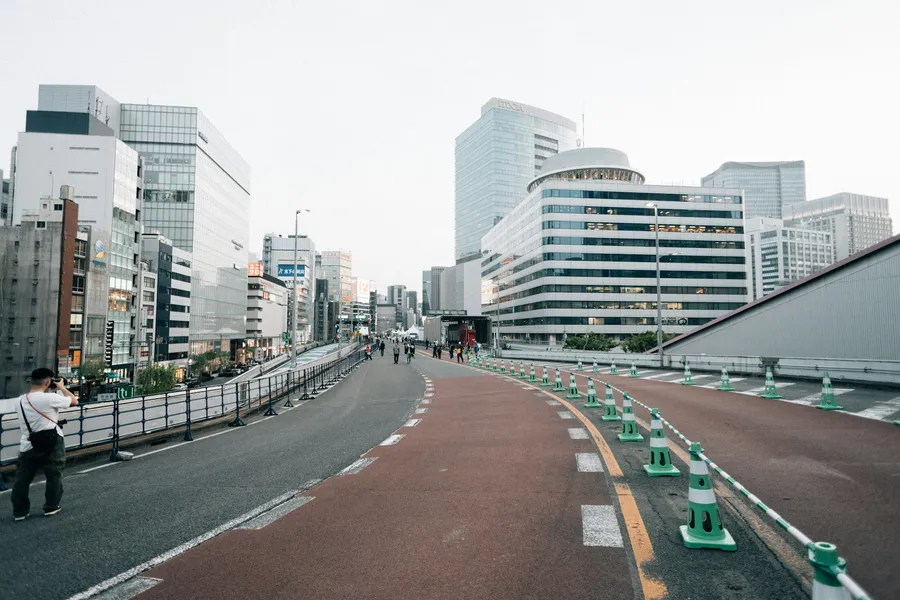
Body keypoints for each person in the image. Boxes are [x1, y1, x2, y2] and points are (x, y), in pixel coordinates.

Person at [12, 368, 79, 520]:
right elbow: (74, 401)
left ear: (31, 381)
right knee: (54, 474)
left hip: (28, 444)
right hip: (51, 443)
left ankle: (20, 511)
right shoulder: (49, 399)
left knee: (22, 478)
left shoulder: (20, 400)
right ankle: (51, 506)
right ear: (48, 382)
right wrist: (61, 388)